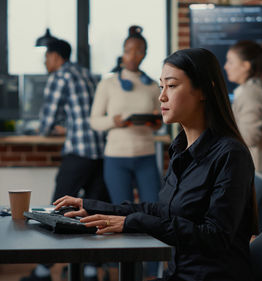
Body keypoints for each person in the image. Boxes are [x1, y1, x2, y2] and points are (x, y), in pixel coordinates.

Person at [53, 48, 259, 281]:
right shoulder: (181, 149)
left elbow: (215, 236)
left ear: (203, 91)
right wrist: (92, 206)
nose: (162, 96)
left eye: (171, 86)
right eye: (161, 86)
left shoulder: (230, 155)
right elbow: (161, 211)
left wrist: (132, 222)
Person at [21, 39, 110, 281]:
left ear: (56, 57)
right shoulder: (89, 75)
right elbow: (88, 112)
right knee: (93, 210)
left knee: (56, 209)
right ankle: (91, 270)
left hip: (79, 152)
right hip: (102, 153)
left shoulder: (60, 77)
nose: (45, 62)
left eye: (46, 57)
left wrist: (44, 129)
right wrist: (69, 126)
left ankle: (43, 271)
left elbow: (47, 120)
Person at [90, 25, 162, 279]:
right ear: (122, 52)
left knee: (153, 212)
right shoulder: (108, 84)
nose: (133, 55)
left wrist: (156, 121)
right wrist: (114, 121)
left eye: (139, 51)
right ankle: (123, 269)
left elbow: (160, 118)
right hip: (116, 158)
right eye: (129, 50)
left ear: (144, 54)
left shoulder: (153, 85)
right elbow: (94, 121)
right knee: (119, 214)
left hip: (145, 155)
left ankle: (154, 270)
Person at [224, 40, 262, 232]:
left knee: (241, 234)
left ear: (246, 65)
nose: (226, 67)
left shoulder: (248, 93)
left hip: (255, 173)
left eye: (230, 61)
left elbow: (248, 137)